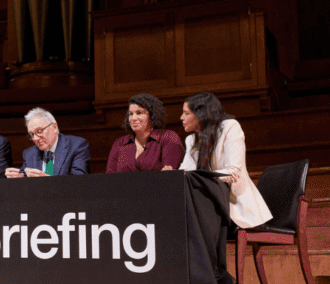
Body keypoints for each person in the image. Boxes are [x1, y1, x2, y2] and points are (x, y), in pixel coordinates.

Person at [179, 92, 272, 229]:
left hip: (233, 204)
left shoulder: (230, 127)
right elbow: (186, 171)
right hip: (205, 201)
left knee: (194, 214)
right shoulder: (191, 140)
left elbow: (233, 172)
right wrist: (175, 175)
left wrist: (202, 178)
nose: (181, 118)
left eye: (186, 113)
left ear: (201, 114)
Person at [106, 93, 185, 172]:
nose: (133, 118)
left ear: (152, 115)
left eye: (139, 113)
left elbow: (170, 176)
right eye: (130, 114)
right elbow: (109, 178)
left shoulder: (168, 137)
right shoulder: (120, 143)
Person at [6, 108, 90, 178]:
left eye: (39, 131)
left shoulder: (77, 146)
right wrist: (18, 178)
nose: (35, 138)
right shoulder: (29, 153)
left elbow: (79, 183)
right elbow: (26, 181)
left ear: (54, 127)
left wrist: (47, 181)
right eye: (31, 134)